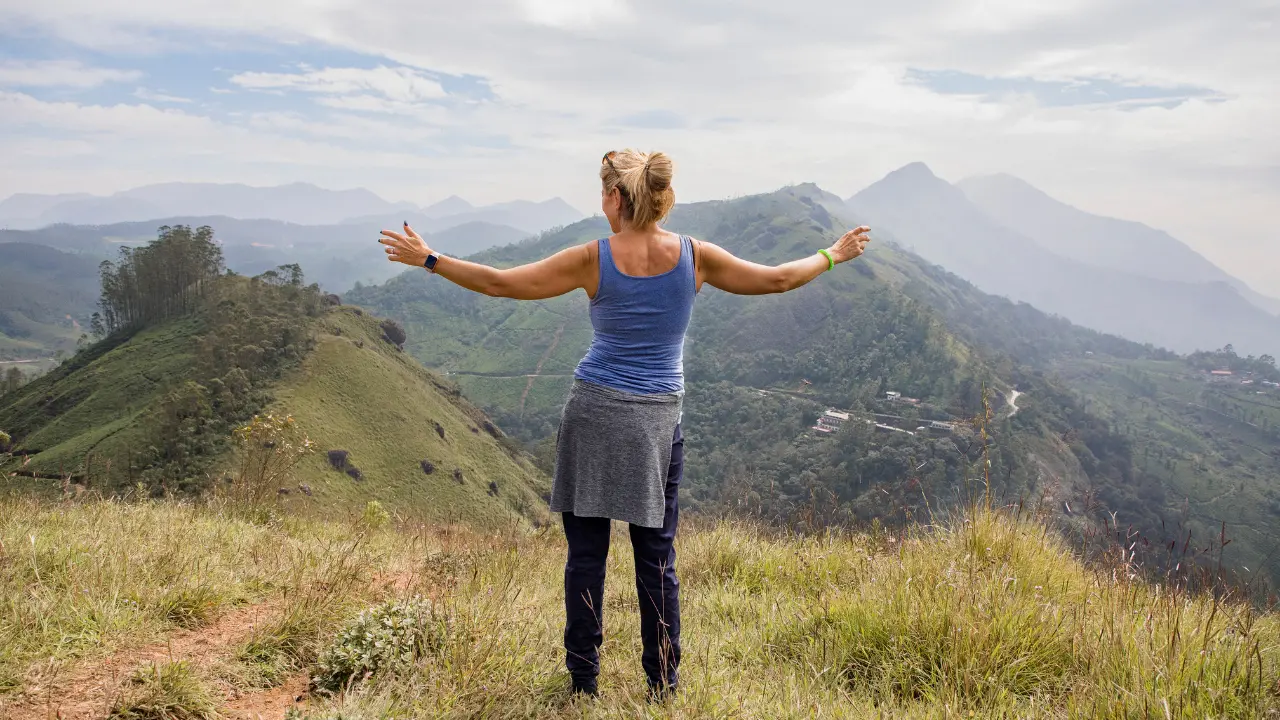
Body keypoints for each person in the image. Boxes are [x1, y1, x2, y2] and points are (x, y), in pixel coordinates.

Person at [377, 149, 870, 699]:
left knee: (586, 555)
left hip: (592, 413)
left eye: (602, 190)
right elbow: (778, 279)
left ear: (616, 197)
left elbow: (500, 283)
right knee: (656, 559)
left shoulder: (593, 257)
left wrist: (428, 259)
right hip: (657, 424)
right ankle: (662, 684)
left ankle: (583, 682)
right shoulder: (694, 257)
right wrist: (833, 254)